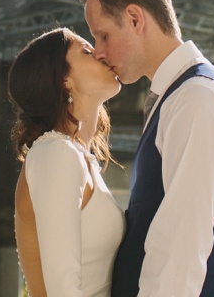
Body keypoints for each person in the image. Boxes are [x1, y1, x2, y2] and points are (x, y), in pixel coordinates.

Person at [80, 0, 214, 297]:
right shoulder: (181, 97)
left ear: (134, 18)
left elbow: (180, 252)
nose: (98, 52)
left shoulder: (197, 99)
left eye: (102, 35)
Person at [8, 27, 126, 297]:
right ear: (64, 80)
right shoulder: (56, 154)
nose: (100, 53)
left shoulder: (78, 157)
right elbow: (64, 289)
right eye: (87, 51)